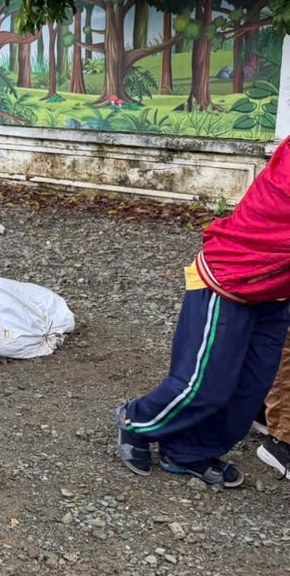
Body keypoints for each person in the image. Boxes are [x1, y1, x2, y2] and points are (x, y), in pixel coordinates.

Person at [116, 140, 290, 487]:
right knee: (203, 386)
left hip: (276, 291)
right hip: (230, 277)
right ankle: (135, 421)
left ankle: (187, 450)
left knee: (249, 392)